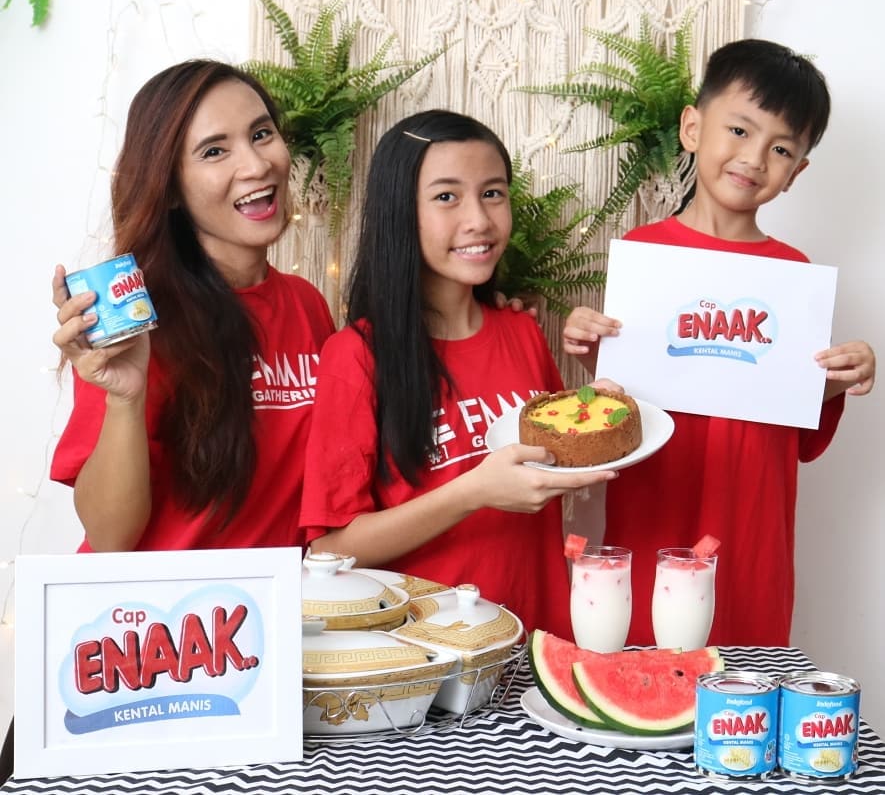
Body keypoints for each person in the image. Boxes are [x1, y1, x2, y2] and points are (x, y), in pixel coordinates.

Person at [563, 39, 876, 647]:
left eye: (781, 148)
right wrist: (590, 348)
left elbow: (796, 428)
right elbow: (616, 411)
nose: (754, 158)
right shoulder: (643, 256)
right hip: (655, 512)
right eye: (739, 130)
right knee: (642, 666)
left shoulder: (795, 276)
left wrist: (838, 380)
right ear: (692, 128)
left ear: (796, 172)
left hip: (751, 528)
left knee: (744, 676)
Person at [298, 109, 618, 637]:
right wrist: (473, 491)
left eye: (492, 193)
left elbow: (562, 464)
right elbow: (330, 550)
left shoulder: (522, 331)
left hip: (536, 639)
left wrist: (605, 393)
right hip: (427, 656)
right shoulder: (354, 355)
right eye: (447, 196)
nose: (479, 220)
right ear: (400, 213)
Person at [49, 59, 335, 553]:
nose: (256, 165)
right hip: (160, 601)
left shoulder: (307, 304)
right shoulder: (135, 317)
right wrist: (125, 398)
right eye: (214, 151)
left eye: (261, 134)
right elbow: (110, 540)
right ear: (170, 189)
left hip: (269, 598)